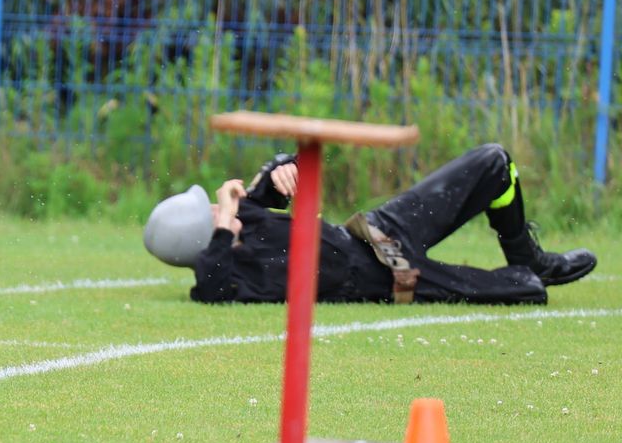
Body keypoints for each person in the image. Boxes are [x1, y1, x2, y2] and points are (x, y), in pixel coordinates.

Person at [144, 142, 597, 304]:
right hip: (392, 278)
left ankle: (531, 256)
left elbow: (284, 173)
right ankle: (529, 273)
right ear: (203, 236)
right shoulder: (229, 276)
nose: (219, 207)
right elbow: (211, 283)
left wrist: (281, 166)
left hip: (378, 230)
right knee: (524, 290)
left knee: (494, 162)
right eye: (208, 212)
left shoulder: (245, 218)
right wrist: (223, 225)